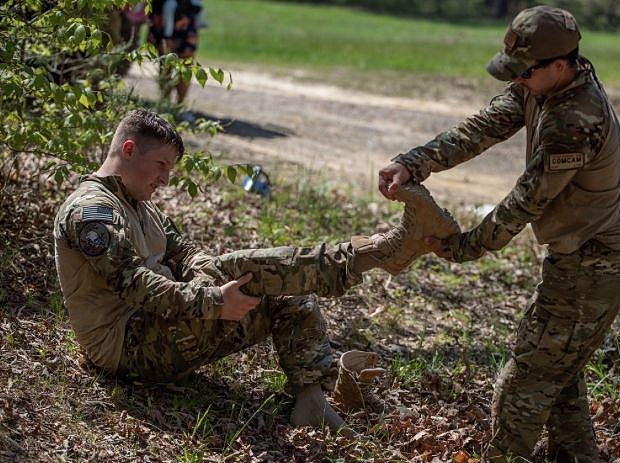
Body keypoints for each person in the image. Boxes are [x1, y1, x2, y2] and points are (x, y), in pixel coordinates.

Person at [53, 109, 459, 433]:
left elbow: (184, 252)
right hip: (126, 346)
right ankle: (383, 251)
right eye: (161, 165)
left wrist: (206, 274)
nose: (166, 178)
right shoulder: (92, 212)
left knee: (274, 285)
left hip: (157, 322)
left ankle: (311, 401)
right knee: (242, 272)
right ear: (128, 150)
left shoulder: (139, 202)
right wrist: (213, 299)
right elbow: (133, 285)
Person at [378, 6, 620, 462]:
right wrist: (413, 162)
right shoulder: (541, 84)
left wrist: (463, 248)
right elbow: (479, 129)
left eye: (524, 73)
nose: (516, 81)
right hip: (578, 260)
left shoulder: (575, 120)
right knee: (559, 377)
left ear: (559, 65)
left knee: (527, 381)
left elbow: (524, 203)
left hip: (595, 265)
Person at [147, 0, 202, 104]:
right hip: (162, 15)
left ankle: (180, 105)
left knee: (186, 65)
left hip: (186, 16)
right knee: (166, 64)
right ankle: (164, 102)